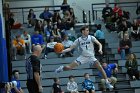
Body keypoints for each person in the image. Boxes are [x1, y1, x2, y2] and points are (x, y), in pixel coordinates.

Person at [55, 26, 114, 90]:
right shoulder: (78, 40)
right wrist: (62, 51)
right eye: (87, 30)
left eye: (88, 30)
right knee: (68, 67)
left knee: (100, 68)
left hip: (91, 57)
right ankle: (61, 68)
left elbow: (99, 44)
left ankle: (107, 82)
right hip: (83, 57)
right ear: (83, 31)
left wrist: (100, 49)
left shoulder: (91, 37)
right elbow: (70, 48)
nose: (88, 31)